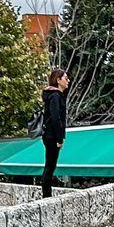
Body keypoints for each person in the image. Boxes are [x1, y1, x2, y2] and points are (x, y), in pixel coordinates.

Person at [39, 67, 69, 199]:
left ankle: (47, 194)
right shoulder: (55, 96)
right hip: (52, 135)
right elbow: (56, 118)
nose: (68, 81)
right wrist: (59, 138)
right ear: (58, 80)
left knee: (50, 165)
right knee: (50, 166)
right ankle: (46, 196)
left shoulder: (53, 95)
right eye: (65, 78)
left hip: (49, 134)